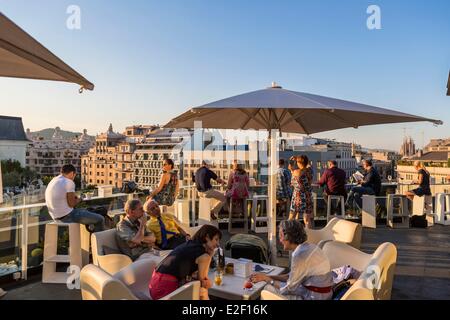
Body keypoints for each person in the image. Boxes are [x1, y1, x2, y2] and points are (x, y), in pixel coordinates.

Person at [250, 219, 333, 300]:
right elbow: (290, 276)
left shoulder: (299, 256)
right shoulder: (310, 247)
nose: (280, 239)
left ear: (289, 237)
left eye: (281, 235)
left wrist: (268, 280)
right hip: (324, 294)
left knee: (268, 288)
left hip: (314, 296)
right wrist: (267, 276)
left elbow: (289, 288)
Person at [149, 224, 222, 300]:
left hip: (154, 285)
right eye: (216, 239)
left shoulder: (190, 244)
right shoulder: (204, 256)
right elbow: (204, 282)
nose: (218, 244)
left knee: (197, 286)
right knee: (203, 290)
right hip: (164, 291)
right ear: (207, 237)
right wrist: (210, 256)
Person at [45, 164, 104, 232]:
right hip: (67, 216)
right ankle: (99, 241)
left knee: (85, 211)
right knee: (100, 219)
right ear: (72, 173)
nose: (74, 178)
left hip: (55, 216)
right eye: (74, 175)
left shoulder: (54, 180)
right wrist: (80, 199)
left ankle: (92, 237)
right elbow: (72, 204)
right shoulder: (69, 182)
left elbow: (63, 196)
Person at [289, 155, 313, 228]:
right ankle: (310, 236)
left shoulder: (296, 172)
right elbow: (308, 164)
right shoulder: (309, 170)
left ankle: (287, 234)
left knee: (291, 217)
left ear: (298, 163)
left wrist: (291, 163)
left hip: (298, 197)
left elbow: (290, 168)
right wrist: (299, 159)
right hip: (308, 196)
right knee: (307, 220)